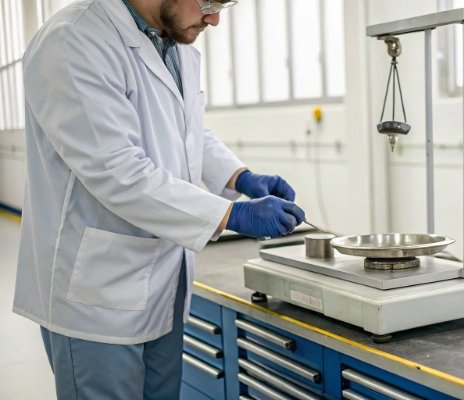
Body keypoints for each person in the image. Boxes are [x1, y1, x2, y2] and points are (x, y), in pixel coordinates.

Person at [12, 0, 305, 398]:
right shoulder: (74, 40)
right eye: (208, 3)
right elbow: (117, 171)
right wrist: (229, 214)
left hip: (162, 286)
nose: (215, 19)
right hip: (96, 295)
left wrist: (239, 177)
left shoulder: (170, 42)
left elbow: (187, 129)